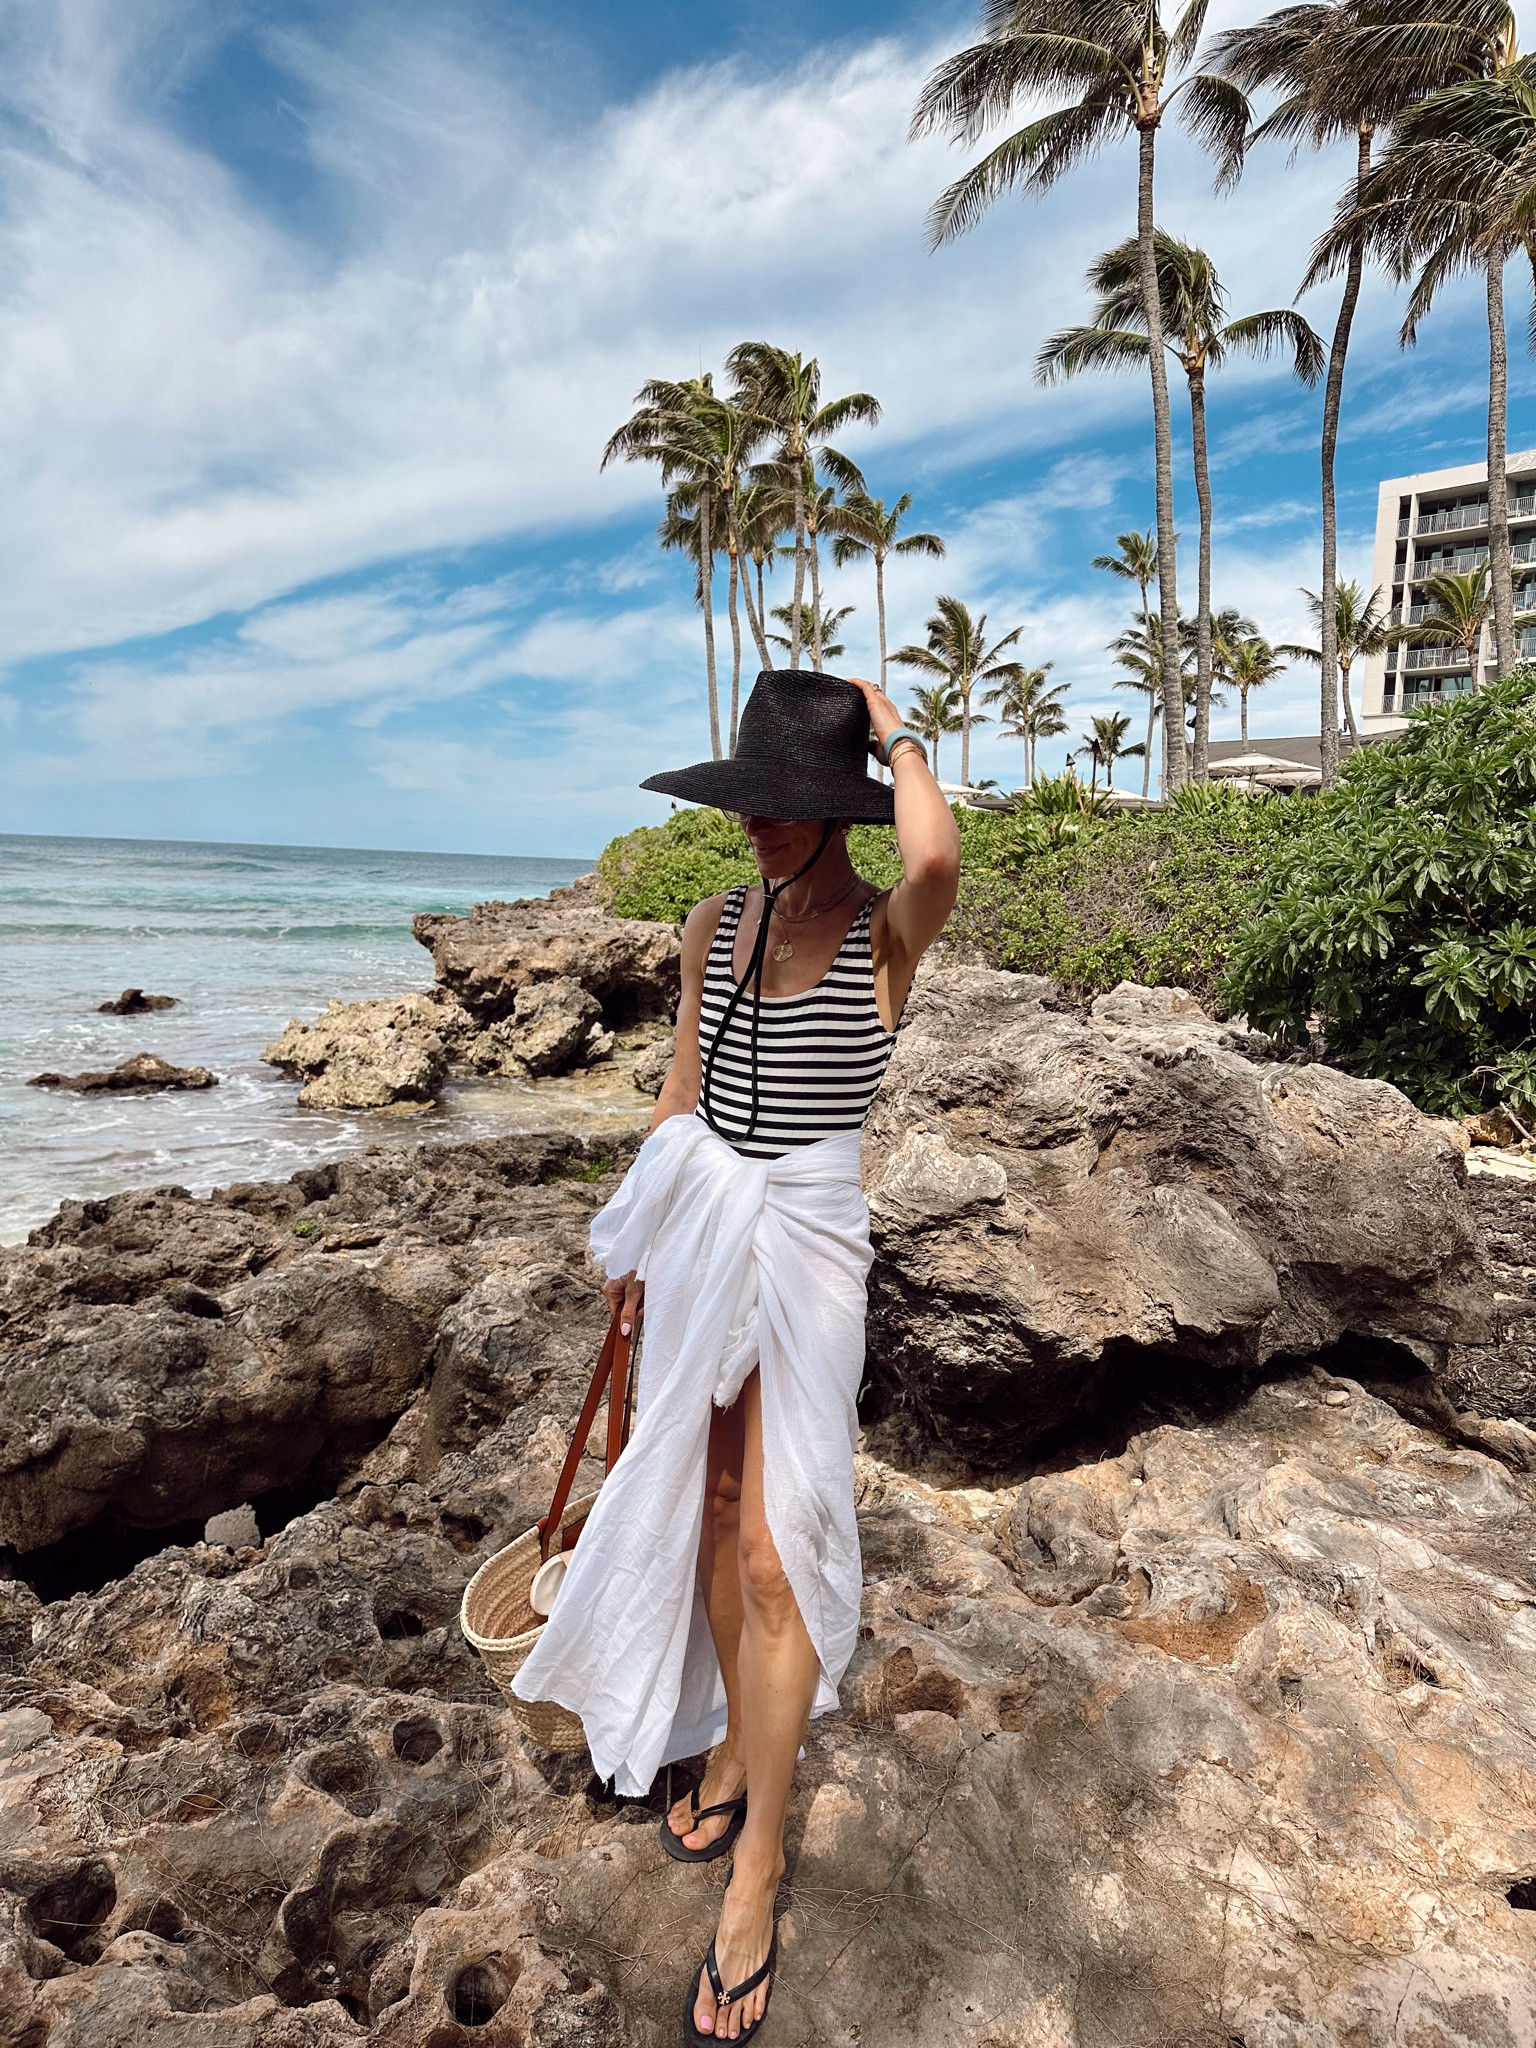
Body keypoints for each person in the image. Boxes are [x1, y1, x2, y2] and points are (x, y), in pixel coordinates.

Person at [513, 667, 960, 2043]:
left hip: (813, 1231)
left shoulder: (890, 930)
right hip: (704, 1226)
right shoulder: (715, 921)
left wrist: (894, 727)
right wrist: (641, 1256)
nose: (762, 824)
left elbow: (937, 847)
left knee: (780, 1541)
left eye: (791, 803)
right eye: (750, 799)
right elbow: (674, 1100)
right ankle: (711, 1739)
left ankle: (759, 1855)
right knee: (709, 1504)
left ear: (842, 811)